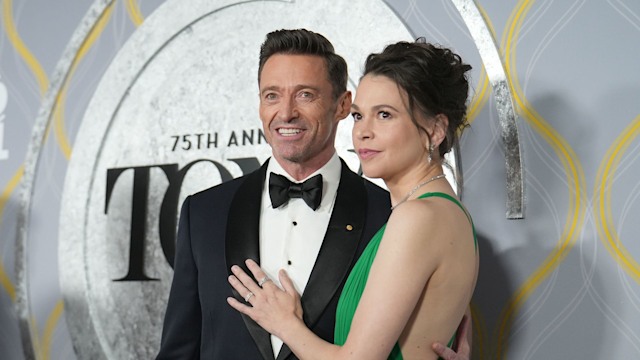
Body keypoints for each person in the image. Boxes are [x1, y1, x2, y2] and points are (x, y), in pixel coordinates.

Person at [157, 29, 470, 360]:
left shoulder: (389, 216)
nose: (287, 112)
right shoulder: (204, 212)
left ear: (342, 105)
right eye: (272, 95)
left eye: (305, 95)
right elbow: (179, 349)